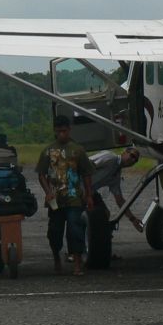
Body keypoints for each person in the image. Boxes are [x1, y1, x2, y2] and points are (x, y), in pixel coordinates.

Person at [35, 115, 95, 276]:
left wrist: (89, 195)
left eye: (65, 131)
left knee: (75, 229)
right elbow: (41, 174)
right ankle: (56, 255)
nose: (62, 134)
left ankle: (77, 263)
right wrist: (48, 192)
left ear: (69, 130)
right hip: (56, 199)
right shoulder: (48, 151)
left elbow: (87, 174)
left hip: (74, 197)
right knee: (55, 231)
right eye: (59, 131)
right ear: (55, 131)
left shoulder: (78, 150)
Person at [89, 146, 146, 233]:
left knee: (105, 213)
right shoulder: (110, 157)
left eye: (136, 160)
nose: (133, 160)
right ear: (124, 153)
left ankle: (97, 238)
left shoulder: (116, 176)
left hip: (90, 191)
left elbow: (119, 200)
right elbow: (87, 164)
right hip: (77, 186)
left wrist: (133, 219)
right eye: (132, 156)